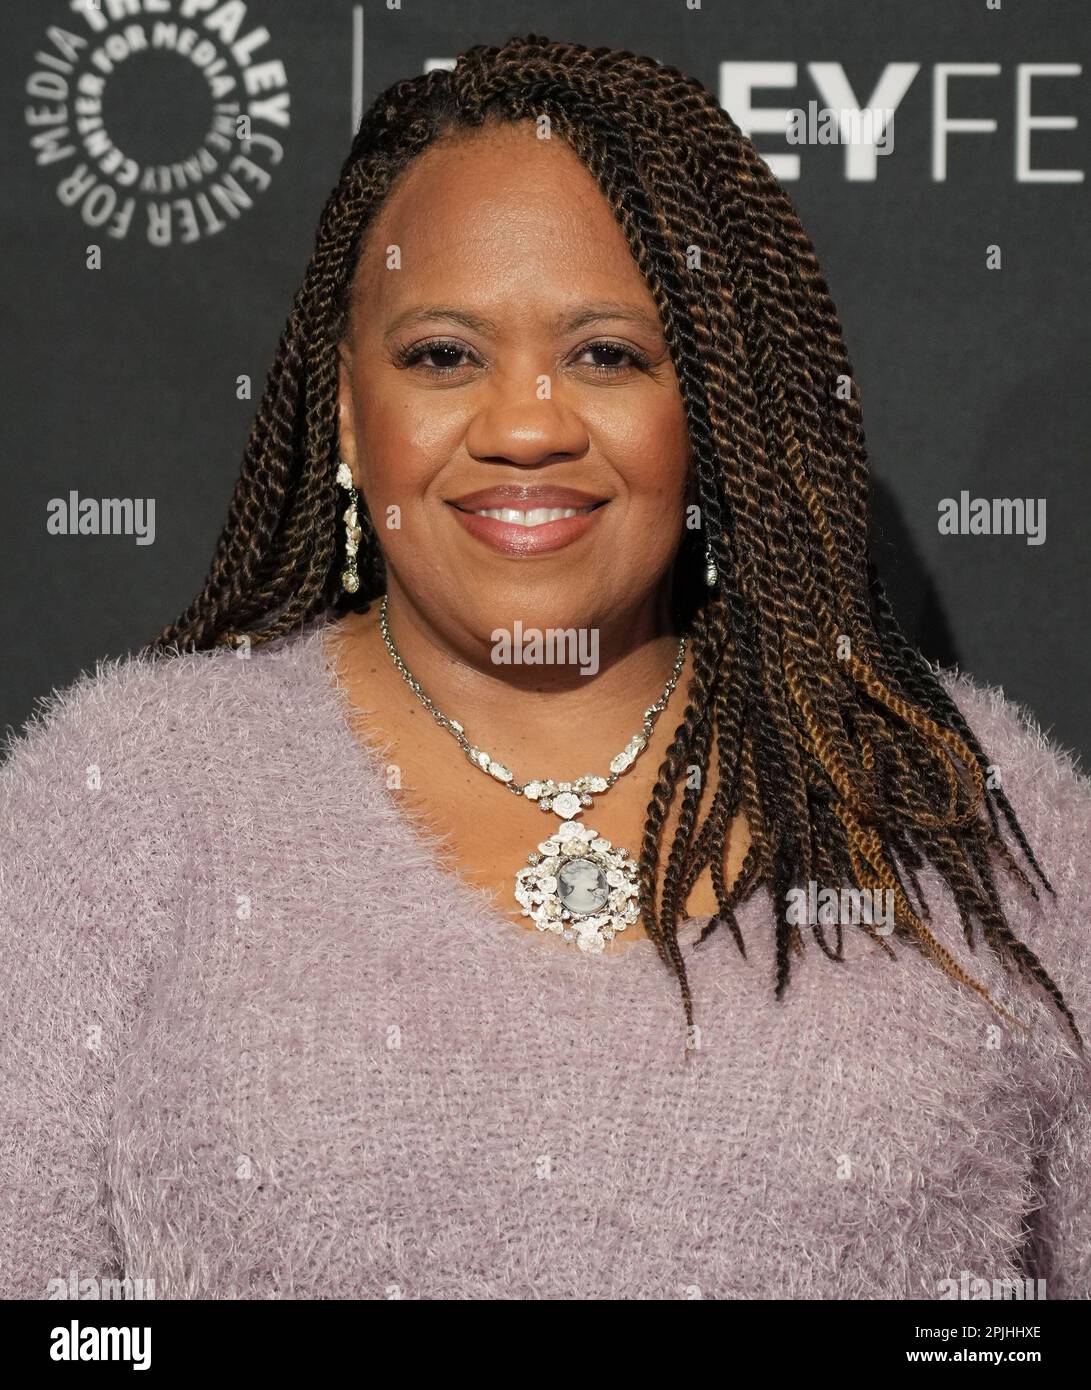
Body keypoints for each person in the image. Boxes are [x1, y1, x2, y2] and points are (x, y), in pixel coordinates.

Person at [2, 34, 1088, 1301]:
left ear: (717, 405)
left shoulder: (972, 819)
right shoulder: (120, 804)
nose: (526, 425)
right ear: (350, 411)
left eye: (607, 355)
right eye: (443, 355)